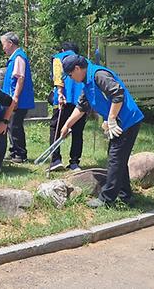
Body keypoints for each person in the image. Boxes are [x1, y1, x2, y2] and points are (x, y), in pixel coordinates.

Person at [59, 54, 144, 209]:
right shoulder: (87, 81)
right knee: (117, 158)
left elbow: (118, 93)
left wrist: (111, 119)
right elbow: (81, 107)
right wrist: (66, 125)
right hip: (119, 123)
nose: (70, 78)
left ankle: (106, 199)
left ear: (77, 69)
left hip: (127, 121)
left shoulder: (99, 75)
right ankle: (125, 195)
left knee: (115, 159)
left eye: (70, 75)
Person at [47, 42, 87, 172]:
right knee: (78, 131)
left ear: (63, 49)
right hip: (81, 101)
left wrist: (59, 93)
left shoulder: (58, 58)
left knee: (56, 128)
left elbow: (57, 78)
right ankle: (74, 162)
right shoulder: (83, 61)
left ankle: (55, 160)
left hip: (63, 99)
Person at [0, 32, 34, 163]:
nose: (3, 48)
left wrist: (15, 97)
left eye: (4, 45)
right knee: (11, 125)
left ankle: (20, 153)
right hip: (13, 99)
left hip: (17, 100)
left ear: (10, 43)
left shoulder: (19, 57)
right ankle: (14, 151)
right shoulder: (15, 58)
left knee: (15, 125)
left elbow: (20, 78)